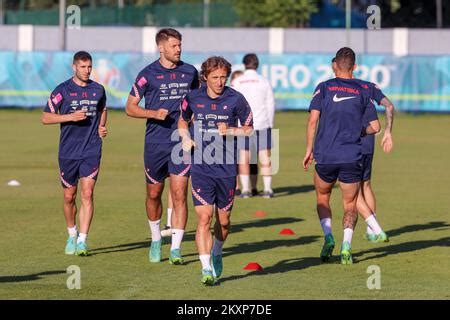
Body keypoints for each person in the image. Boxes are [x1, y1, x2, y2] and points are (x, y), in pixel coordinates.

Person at [125, 28, 199, 264]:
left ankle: (176, 249)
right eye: (174, 45)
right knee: (154, 194)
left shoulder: (190, 72)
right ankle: (156, 239)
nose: (179, 49)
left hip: (181, 142)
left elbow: (198, 104)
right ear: (161, 47)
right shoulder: (147, 74)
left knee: (179, 194)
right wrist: (153, 113)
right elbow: (130, 107)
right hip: (155, 142)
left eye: (180, 45)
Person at [178, 56, 253, 285]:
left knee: (224, 221)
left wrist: (230, 129)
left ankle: (218, 250)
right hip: (201, 167)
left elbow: (249, 129)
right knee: (204, 218)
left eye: (223, 77)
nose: (220, 82)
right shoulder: (192, 97)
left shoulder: (236, 99)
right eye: (215, 78)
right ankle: (205, 268)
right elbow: (182, 120)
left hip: (227, 169)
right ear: (205, 77)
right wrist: (185, 137)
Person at [303, 47, 381, 265]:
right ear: (354, 67)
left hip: (326, 155)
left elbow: (312, 121)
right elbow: (375, 126)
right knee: (350, 203)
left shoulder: (324, 88)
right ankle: (346, 246)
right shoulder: (363, 90)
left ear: (334, 65)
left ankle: (328, 237)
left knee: (322, 197)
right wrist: (358, 132)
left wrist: (309, 149)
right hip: (351, 155)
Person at [41, 51, 108, 256]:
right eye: (83, 67)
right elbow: (46, 117)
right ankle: (72, 234)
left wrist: (101, 127)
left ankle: (83, 241)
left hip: (91, 149)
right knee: (69, 196)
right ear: (74, 67)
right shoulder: (62, 90)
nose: (87, 71)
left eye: (89, 67)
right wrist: (70, 117)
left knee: (87, 193)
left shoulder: (98, 90)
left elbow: (103, 109)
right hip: (68, 152)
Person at [331, 57, 395, 242]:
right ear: (354, 67)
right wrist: (388, 133)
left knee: (352, 191)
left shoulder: (337, 88)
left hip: (348, 143)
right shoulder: (368, 86)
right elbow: (389, 105)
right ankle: (371, 230)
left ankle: (360, 234)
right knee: (365, 185)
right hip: (367, 141)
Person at [233, 53, 276, 198]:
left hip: (243, 125)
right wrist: (270, 123)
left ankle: (246, 190)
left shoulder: (238, 82)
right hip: (262, 123)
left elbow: (233, 103)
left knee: (244, 158)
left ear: (244, 65)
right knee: (265, 158)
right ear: (257, 65)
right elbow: (270, 105)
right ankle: (268, 189)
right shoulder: (264, 81)